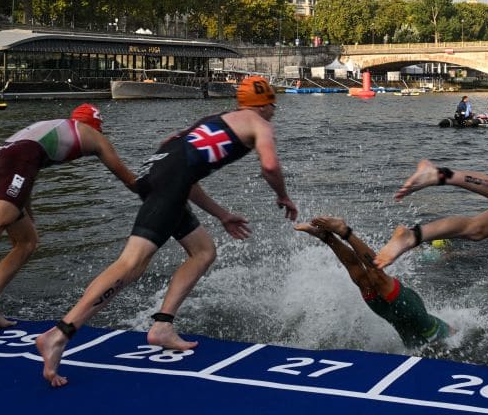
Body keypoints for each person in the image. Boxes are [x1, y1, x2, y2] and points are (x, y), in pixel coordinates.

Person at [36, 76, 299, 387]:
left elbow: (178, 164)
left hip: (156, 174)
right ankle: (60, 333)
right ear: (266, 104)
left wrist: (223, 215)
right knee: (130, 264)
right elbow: (269, 166)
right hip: (169, 185)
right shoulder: (260, 124)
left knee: (203, 252)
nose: (274, 112)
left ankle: (162, 326)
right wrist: (282, 194)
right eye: (273, 106)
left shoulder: (212, 121)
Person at [0, 104, 137, 329]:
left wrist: (27, 213)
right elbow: (129, 179)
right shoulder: (93, 135)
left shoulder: (49, 127)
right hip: (15, 162)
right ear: (96, 126)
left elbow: (25, 171)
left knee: (27, 241)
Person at [295, 216, 451, 348]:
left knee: (362, 279)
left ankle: (326, 236)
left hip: (389, 314)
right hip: (411, 309)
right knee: (376, 274)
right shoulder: (452, 340)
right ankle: (344, 231)